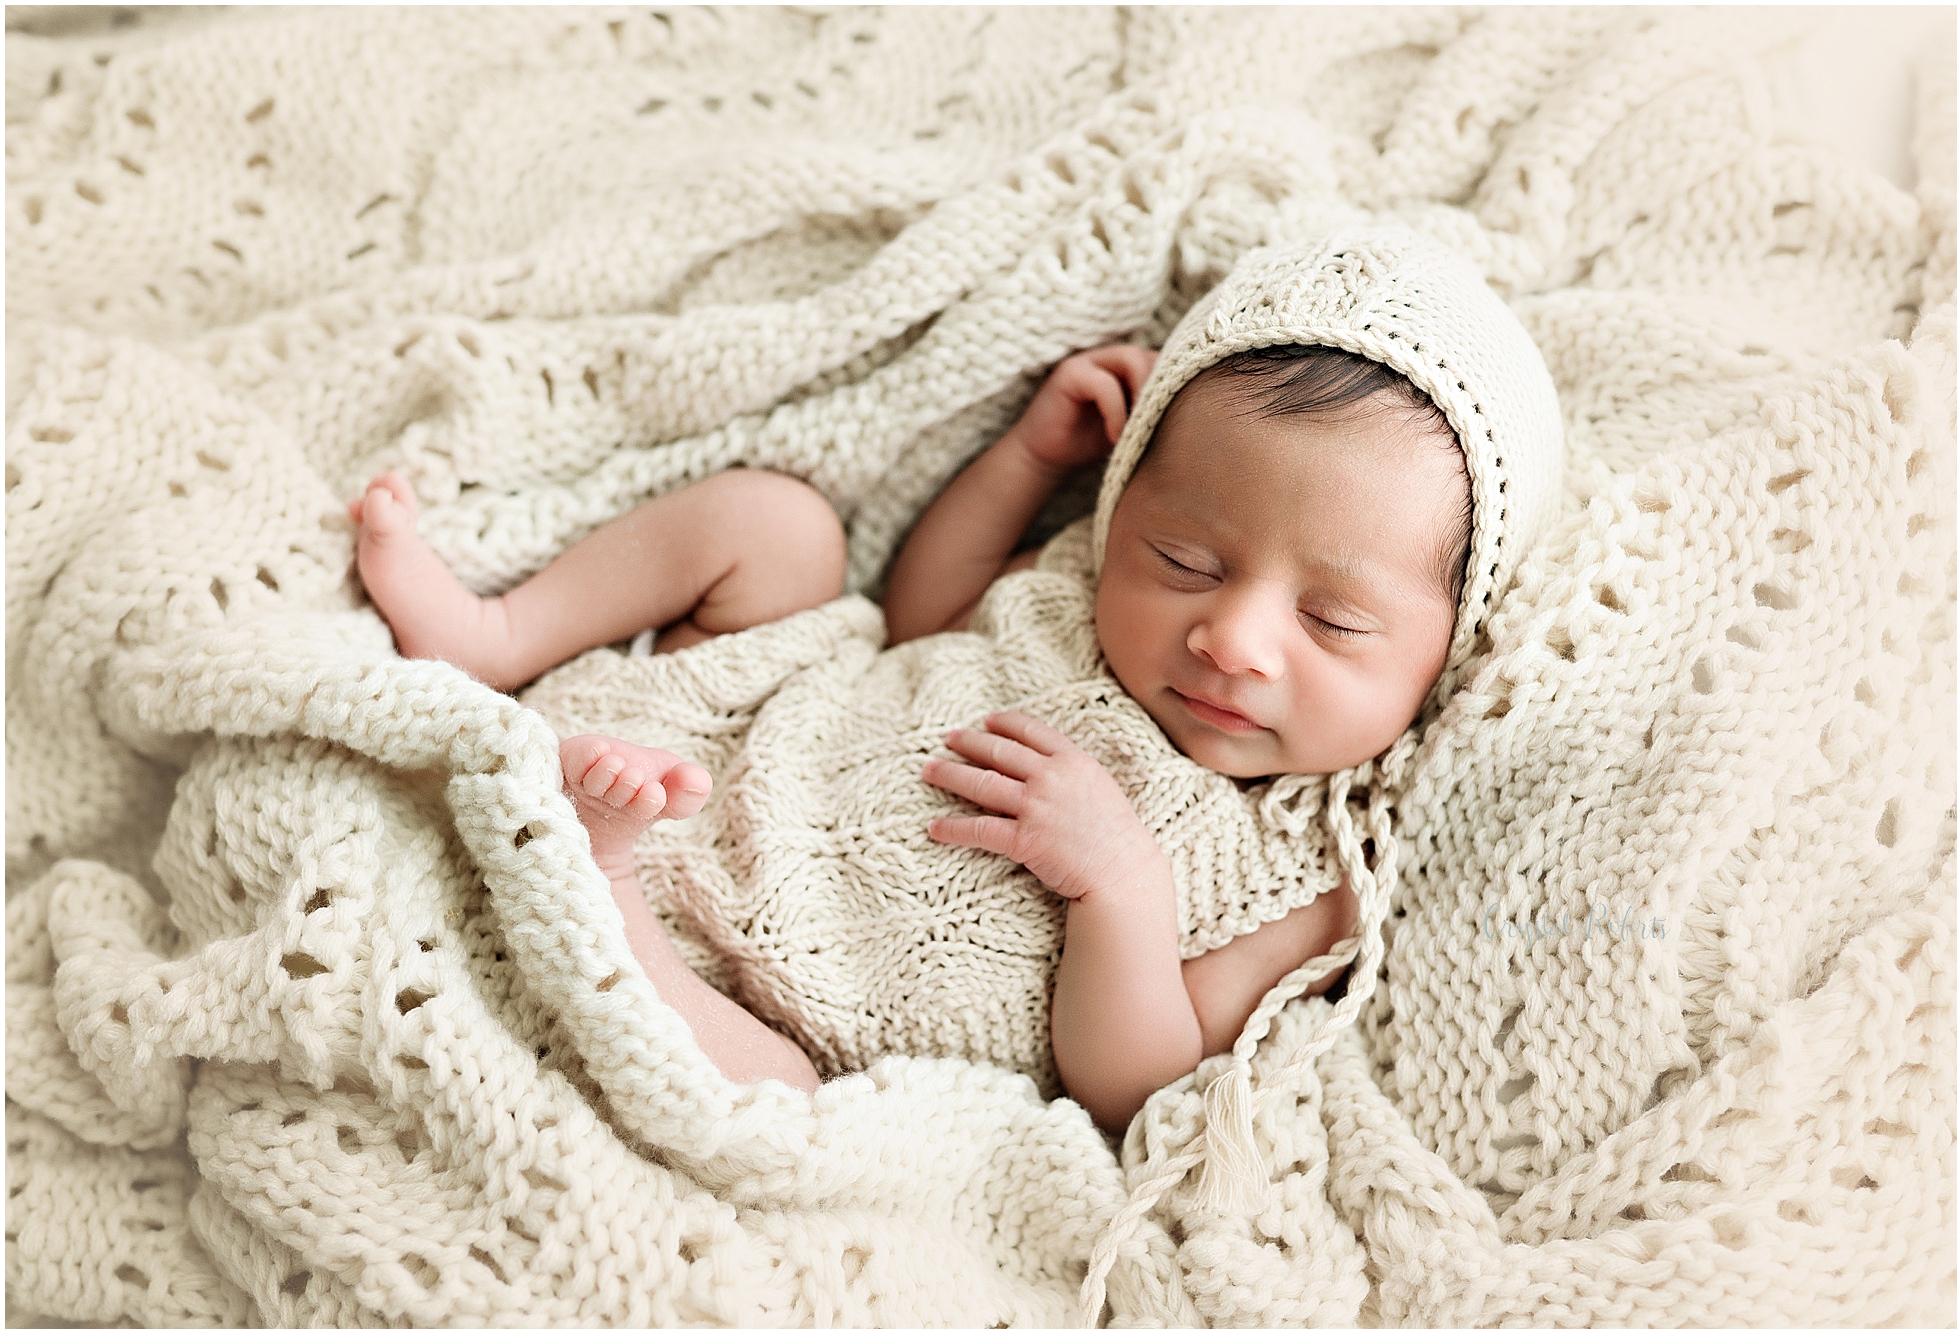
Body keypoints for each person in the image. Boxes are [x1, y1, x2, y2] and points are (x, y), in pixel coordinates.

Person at [349, 228, 1563, 1130]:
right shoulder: (1077, 583)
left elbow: (1136, 1078)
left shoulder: (1306, 869)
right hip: (744, 740)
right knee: (778, 526)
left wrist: (1120, 885)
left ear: (1447, 647)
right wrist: (1025, 458)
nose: (1231, 637)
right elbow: (925, 614)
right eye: (1183, 560)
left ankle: (601, 882)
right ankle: (498, 632)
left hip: (787, 991)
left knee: (775, 1099)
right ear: (1122, 509)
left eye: (1332, 619)